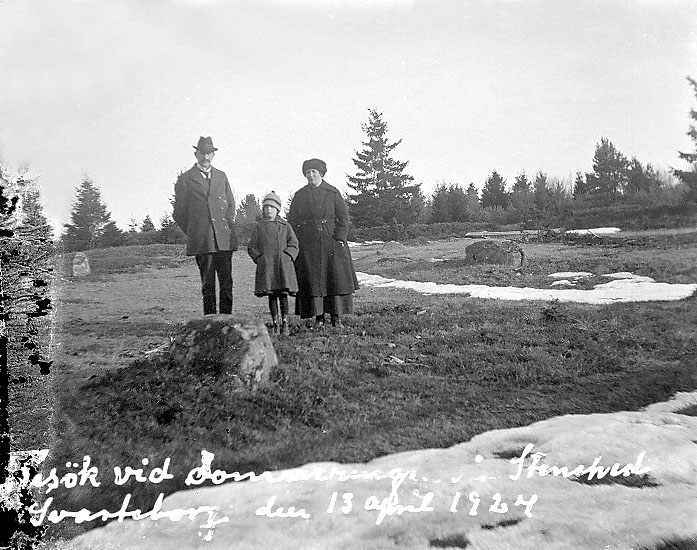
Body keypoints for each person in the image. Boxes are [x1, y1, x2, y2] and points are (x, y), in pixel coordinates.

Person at [287, 158, 359, 328]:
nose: (311, 175)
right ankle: (318, 317)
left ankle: (336, 317)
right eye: (308, 172)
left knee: (334, 279)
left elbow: (343, 218)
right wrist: (298, 241)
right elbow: (292, 221)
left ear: (321, 173)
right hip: (308, 244)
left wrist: (340, 238)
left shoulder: (333, 193)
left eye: (314, 172)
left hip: (331, 242)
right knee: (313, 281)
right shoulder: (300, 195)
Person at [173, 136, 238, 315]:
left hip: (224, 240)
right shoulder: (186, 179)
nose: (206, 157)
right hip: (202, 241)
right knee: (208, 285)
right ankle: (210, 322)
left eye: (209, 154)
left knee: (227, 283)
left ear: (213, 155)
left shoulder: (221, 176)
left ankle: (226, 321)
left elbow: (231, 205)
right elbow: (179, 213)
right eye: (202, 153)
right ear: (196, 154)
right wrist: (195, 231)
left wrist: (227, 226)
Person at [247, 191, 299, 336]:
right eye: (266, 207)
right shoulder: (259, 227)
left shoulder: (285, 226)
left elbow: (294, 243)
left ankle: (285, 323)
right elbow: (252, 246)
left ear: (277, 209)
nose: (268, 210)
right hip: (268, 266)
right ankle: (275, 323)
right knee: (272, 295)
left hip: (283, 266)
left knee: (283, 294)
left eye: (271, 207)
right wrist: (259, 258)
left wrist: (288, 256)